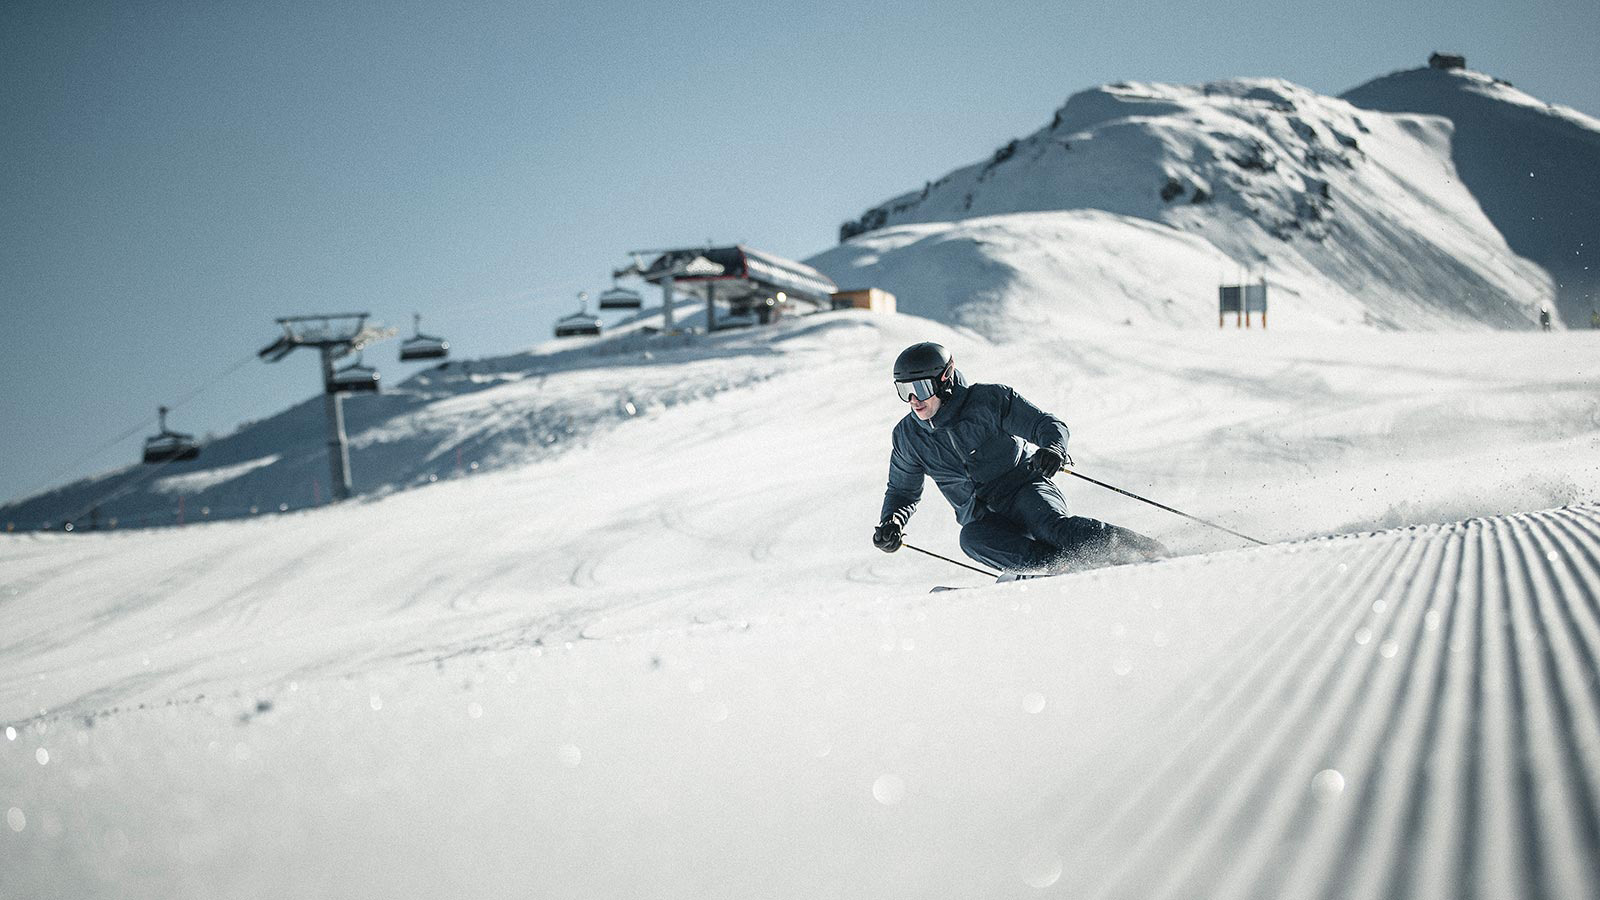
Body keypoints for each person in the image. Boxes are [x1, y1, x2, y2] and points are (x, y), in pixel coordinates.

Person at [872, 342, 1166, 576]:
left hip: (1024, 488)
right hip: (982, 515)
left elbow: (1046, 425)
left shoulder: (988, 401)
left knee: (1052, 528)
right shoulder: (908, 436)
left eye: (920, 388)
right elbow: (902, 491)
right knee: (971, 540)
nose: (914, 400)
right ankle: (1056, 568)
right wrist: (891, 522)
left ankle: (1145, 551)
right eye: (904, 391)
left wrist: (1053, 450)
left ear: (944, 380)